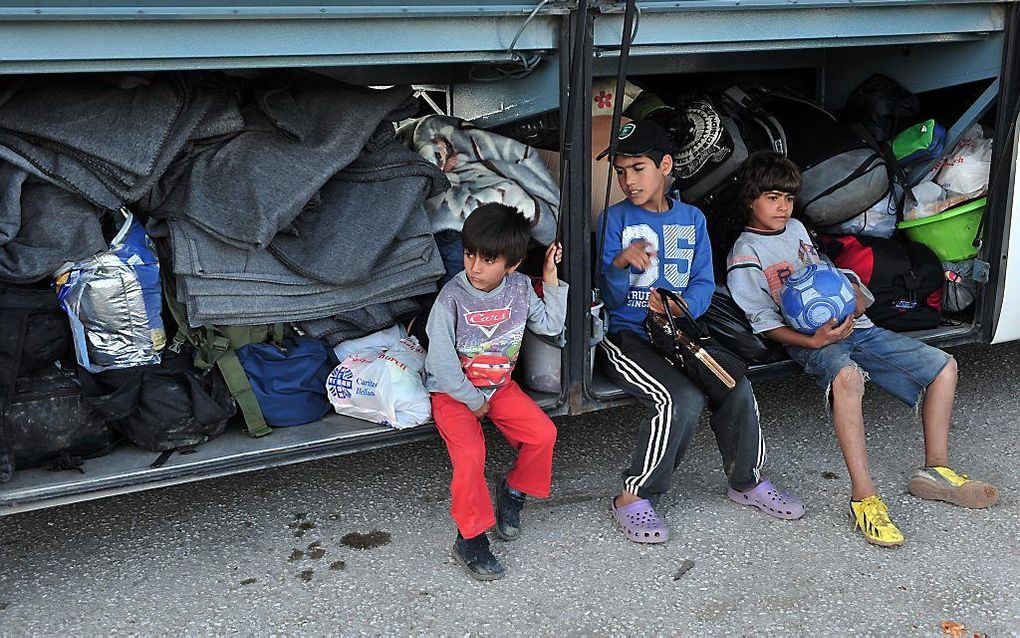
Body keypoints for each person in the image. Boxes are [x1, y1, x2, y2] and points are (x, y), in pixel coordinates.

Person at [725, 151, 999, 548]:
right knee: (848, 378)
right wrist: (813, 341)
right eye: (772, 198)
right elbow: (763, 322)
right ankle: (863, 498)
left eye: (787, 198)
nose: (782, 207)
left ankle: (935, 471)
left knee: (944, 366)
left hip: (856, 326)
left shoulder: (798, 228)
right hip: (809, 340)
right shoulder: (745, 254)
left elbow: (825, 273)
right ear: (751, 200)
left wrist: (853, 294)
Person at [597, 121, 804, 545]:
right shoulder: (612, 218)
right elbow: (610, 297)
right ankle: (633, 495)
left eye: (637, 168)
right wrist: (620, 264)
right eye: (621, 171)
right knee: (679, 398)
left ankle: (746, 481)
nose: (628, 180)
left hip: (682, 332)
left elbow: (704, 282)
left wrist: (681, 307)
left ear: (666, 166)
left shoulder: (692, 218)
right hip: (628, 335)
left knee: (736, 385)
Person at [424, 202, 566, 580]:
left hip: (499, 387)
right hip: (454, 393)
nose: (474, 267)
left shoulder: (520, 288)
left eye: (488, 260)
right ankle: (469, 538)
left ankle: (514, 489)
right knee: (471, 454)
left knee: (543, 434)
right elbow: (440, 363)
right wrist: (473, 402)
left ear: (513, 264)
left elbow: (551, 324)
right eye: (470, 255)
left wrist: (550, 278)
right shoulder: (451, 298)